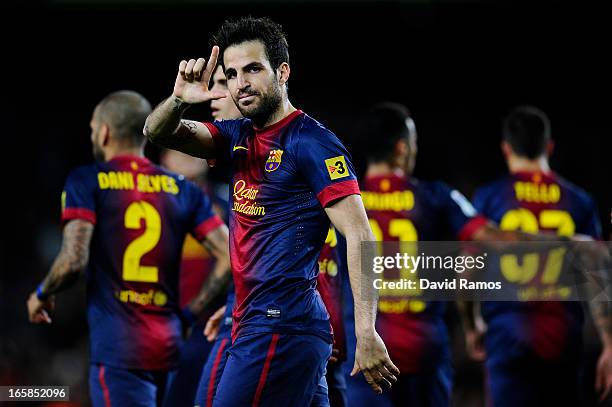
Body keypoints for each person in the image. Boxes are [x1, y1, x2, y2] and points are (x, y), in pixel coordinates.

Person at [144, 16, 398, 406]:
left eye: (253, 69)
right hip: (265, 325)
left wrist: (366, 330)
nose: (241, 82)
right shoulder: (238, 137)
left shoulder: (312, 142)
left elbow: (360, 234)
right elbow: (158, 132)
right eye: (231, 74)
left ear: (282, 71)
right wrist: (179, 99)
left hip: (279, 327)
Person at [27, 90, 231, 407]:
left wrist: (42, 293)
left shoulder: (87, 180)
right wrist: (189, 315)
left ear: (105, 132)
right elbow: (227, 256)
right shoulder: (180, 189)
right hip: (169, 346)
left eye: (94, 128)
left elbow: (73, 260)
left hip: (120, 348)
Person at [465, 105, 612, 406]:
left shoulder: (489, 197)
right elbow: (597, 270)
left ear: (506, 149)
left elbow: (468, 268)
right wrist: (609, 341)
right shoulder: (579, 201)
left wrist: (472, 324)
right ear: (549, 147)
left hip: (508, 336)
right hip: (562, 338)